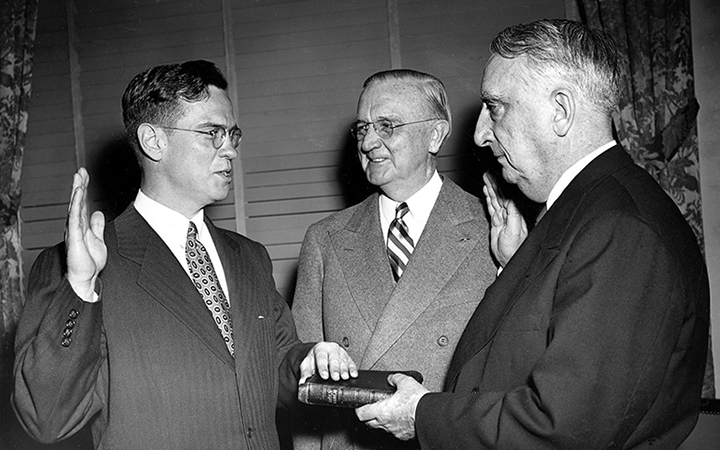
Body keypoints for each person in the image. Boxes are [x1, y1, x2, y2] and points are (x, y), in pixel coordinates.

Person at [356, 19, 710, 449]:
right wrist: (513, 263)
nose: (480, 133)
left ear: (560, 110)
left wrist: (420, 414)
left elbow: (559, 427)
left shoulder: (620, 228)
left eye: (497, 107)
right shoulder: (585, 208)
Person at [12, 60, 357, 450]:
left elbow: (274, 368)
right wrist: (80, 286)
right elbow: (45, 418)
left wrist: (307, 362)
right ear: (153, 141)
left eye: (232, 134)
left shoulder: (249, 258)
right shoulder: (79, 264)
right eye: (212, 133)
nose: (229, 149)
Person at [289, 69, 498, 449]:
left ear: (435, 134)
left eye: (387, 125)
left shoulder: (494, 228)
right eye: (362, 128)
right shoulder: (325, 239)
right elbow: (306, 389)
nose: (369, 141)